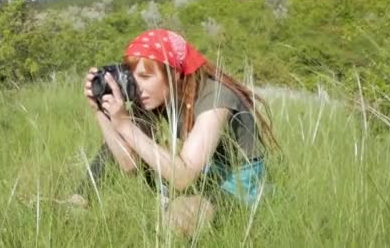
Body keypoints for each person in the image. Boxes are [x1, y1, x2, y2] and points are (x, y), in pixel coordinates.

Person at [70, 29, 277, 236]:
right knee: (130, 137)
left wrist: (125, 124)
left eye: (145, 76)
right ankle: (78, 201)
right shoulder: (158, 94)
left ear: (174, 74)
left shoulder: (216, 97)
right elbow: (129, 164)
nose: (137, 86)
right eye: (133, 77)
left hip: (239, 181)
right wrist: (100, 111)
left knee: (176, 220)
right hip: (205, 173)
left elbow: (183, 177)